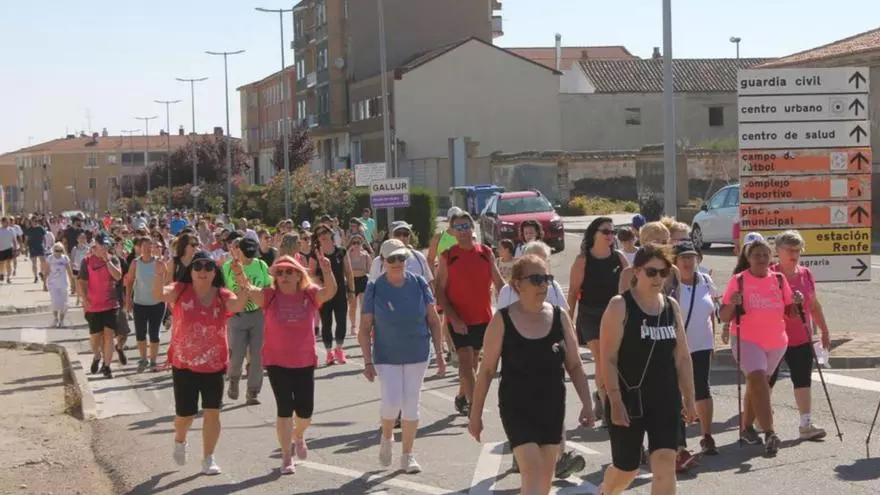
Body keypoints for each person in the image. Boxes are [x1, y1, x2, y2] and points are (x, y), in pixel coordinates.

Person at [470, 254, 595, 494]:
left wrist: (587, 405)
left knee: (544, 479)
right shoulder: (502, 320)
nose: (543, 285)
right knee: (532, 469)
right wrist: (475, 415)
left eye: (547, 278)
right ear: (517, 284)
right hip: (517, 408)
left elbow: (575, 365)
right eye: (536, 279)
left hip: (552, 407)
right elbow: (486, 371)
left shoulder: (559, 316)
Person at [598, 244, 697, 495]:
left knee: (665, 463)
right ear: (636, 271)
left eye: (664, 273)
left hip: (665, 398)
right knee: (627, 468)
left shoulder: (671, 306)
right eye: (651, 272)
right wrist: (615, 401)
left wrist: (689, 397)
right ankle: (607, 490)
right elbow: (608, 358)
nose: (658, 278)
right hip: (628, 398)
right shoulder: (620, 306)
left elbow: (682, 357)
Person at [153, 251, 249, 475]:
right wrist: (159, 275)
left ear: (215, 272)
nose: (203, 271)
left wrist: (240, 275)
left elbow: (239, 305)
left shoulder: (222, 294)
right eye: (198, 267)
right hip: (184, 364)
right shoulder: (180, 289)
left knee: (212, 411)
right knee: (185, 416)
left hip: (213, 364)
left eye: (208, 267)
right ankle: (180, 440)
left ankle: (208, 457)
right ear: (191, 271)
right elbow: (159, 294)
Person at [359, 239, 446, 473]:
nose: (398, 262)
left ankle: (407, 455)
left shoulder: (418, 283)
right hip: (387, 354)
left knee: (411, 405)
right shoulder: (375, 288)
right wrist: (367, 361)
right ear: (383, 261)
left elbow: (433, 320)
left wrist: (439, 353)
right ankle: (387, 437)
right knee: (391, 403)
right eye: (392, 259)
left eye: (401, 258)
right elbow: (365, 328)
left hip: (418, 351)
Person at [245, 254, 337, 474]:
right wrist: (239, 272)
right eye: (280, 273)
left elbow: (329, 292)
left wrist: (327, 270)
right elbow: (249, 290)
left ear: (298, 275)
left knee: (305, 413)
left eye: (289, 272)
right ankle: (286, 455)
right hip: (277, 361)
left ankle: (299, 434)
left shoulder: (309, 294)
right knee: (284, 409)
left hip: (304, 361)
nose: (284, 276)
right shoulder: (270, 296)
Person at [720, 236, 796, 457]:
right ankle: (770, 433)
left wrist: (798, 302)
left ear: (771, 257)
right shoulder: (739, 280)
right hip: (746, 340)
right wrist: (733, 303)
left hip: (776, 341)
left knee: (757, 385)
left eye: (765, 255)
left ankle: (747, 428)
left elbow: (790, 312)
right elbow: (724, 315)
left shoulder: (779, 279)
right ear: (748, 257)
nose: (761, 258)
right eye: (756, 255)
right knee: (759, 381)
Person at [435, 211, 505, 416]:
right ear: (452, 231)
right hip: (458, 319)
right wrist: (453, 318)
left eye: (466, 226)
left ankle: (461, 396)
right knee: (465, 362)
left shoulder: (485, 253)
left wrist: (515, 303)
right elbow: (440, 291)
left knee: (474, 362)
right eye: (458, 227)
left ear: (472, 228)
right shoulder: (448, 256)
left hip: (482, 318)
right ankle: (475, 408)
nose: (463, 231)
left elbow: (499, 283)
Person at [768, 230, 830, 441]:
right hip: (773, 337)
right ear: (778, 251)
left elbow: (813, 304)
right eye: (790, 250)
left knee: (803, 380)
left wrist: (824, 330)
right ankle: (762, 419)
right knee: (768, 380)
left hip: (801, 336)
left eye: (798, 250)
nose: (794, 254)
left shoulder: (806, 274)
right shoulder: (769, 274)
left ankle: (806, 424)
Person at [567, 217, 629, 423]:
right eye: (606, 232)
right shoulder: (583, 260)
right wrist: (568, 322)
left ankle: (603, 396)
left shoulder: (619, 258)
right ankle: (609, 409)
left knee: (616, 360)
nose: (610, 236)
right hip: (590, 315)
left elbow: (630, 287)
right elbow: (573, 292)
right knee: (602, 358)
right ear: (594, 234)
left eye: (613, 232)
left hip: (614, 315)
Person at [673, 241, 719, 455]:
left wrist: (714, 341)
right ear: (675, 261)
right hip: (676, 347)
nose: (688, 262)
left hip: (702, 344)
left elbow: (711, 311)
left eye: (691, 257)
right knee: (676, 392)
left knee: (702, 388)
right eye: (683, 257)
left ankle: (707, 437)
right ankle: (679, 444)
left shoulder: (706, 280)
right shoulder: (670, 284)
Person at [222, 237, 272, 405]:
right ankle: (234, 380)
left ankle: (253, 391)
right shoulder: (228, 267)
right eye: (247, 253)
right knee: (236, 353)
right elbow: (223, 290)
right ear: (238, 250)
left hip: (257, 315)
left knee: (258, 355)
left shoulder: (261, 265)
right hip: (236, 316)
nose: (250, 257)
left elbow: (268, 287)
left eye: (252, 253)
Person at [78, 234, 123, 379]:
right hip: (93, 305)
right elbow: (82, 282)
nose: (104, 248)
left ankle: (107, 366)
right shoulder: (86, 261)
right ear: (95, 245)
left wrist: (107, 261)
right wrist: (84, 298)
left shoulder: (113, 259)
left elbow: (118, 276)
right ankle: (97, 355)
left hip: (111, 304)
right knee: (95, 337)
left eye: (106, 245)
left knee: (109, 335)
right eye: (101, 245)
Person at [309, 224, 354, 365]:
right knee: (326, 322)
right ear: (317, 238)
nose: (322, 235)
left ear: (330, 233)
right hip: (324, 293)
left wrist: (351, 291)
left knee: (341, 321)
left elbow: (348, 272)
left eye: (325, 232)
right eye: (319, 234)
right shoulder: (315, 254)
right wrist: (320, 284)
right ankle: (329, 353)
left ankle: (339, 349)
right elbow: (311, 274)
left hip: (340, 291)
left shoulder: (341, 251)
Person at [126, 236, 167, 373]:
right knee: (140, 333)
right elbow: (129, 281)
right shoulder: (135, 263)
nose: (148, 249)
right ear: (139, 248)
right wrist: (128, 299)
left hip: (157, 303)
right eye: (144, 246)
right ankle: (143, 359)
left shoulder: (159, 263)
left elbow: (166, 280)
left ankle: (153, 361)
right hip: (140, 303)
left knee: (154, 333)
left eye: (150, 246)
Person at [368, 222, 433, 284]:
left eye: (405, 234)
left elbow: (428, 283)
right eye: (397, 234)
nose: (402, 237)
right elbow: (372, 286)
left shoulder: (419, 257)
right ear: (389, 236)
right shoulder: (379, 261)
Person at [44, 242, 74, 327]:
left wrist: (72, 283)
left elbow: (69, 271)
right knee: (55, 302)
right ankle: (55, 319)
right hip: (53, 284)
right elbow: (46, 271)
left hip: (63, 284)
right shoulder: (50, 258)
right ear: (53, 250)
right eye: (57, 250)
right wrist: (44, 284)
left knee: (64, 303)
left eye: (60, 250)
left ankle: (61, 320)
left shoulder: (65, 258)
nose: (58, 252)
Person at [347, 234, 372, 332]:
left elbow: (370, 270)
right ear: (351, 244)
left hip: (363, 280)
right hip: (352, 281)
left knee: (363, 305)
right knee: (353, 306)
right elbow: (345, 270)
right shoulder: (348, 255)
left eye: (358, 243)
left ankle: (363, 325)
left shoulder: (365, 255)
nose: (356, 245)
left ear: (361, 244)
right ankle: (353, 326)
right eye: (354, 243)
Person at [25, 218, 48, 288]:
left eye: (35, 221)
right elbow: (26, 239)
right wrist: (25, 248)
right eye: (33, 221)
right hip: (32, 247)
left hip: (40, 246)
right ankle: (35, 277)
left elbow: (44, 238)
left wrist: (45, 246)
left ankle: (41, 272)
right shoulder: (29, 229)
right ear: (31, 222)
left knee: (43, 261)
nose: (34, 222)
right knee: (34, 263)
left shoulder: (40, 228)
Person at [0, 217, 19, 283]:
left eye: (7, 221)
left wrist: (16, 249)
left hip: (9, 249)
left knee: (8, 263)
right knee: (1, 263)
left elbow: (14, 240)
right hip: (1, 249)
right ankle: (2, 273)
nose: (7, 223)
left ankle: (8, 277)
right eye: (4, 222)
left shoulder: (11, 230)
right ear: (2, 222)